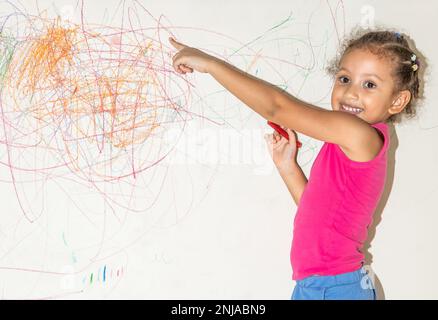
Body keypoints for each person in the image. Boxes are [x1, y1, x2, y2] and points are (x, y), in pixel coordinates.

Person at [168, 29, 423, 300]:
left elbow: (277, 108)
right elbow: (316, 210)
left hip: (336, 287)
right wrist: (287, 166)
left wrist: (210, 64)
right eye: (344, 78)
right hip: (316, 284)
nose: (351, 92)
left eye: (369, 84)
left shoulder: (359, 135)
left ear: (398, 100)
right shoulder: (345, 141)